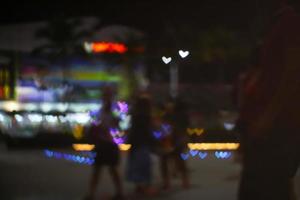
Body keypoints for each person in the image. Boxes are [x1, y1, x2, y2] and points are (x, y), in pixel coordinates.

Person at [237, 1, 300, 199]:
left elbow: (294, 72)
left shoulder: (289, 22)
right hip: (269, 126)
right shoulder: (276, 23)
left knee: (263, 187)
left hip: (275, 127)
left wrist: (268, 117)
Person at [85, 87, 124, 200]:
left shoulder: (112, 112)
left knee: (110, 170)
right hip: (103, 144)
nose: (106, 98)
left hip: (109, 144)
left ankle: (119, 192)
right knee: (99, 170)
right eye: (105, 95)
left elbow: (117, 127)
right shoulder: (100, 112)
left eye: (108, 95)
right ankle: (91, 194)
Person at [126, 95, 157, 196]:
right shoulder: (146, 117)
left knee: (137, 165)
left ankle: (139, 187)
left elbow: (132, 130)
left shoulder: (135, 115)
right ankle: (146, 187)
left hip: (136, 144)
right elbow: (149, 130)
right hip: (143, 144)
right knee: (144, 165)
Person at [160, 98, 190, 190]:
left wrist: (183, 137)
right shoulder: (165, 115)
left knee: (179, 160)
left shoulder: (180, 115)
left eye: (170, 103)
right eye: (167, 103)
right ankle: (166, 182)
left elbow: (184, 128)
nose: (168, 105)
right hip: (167, 140)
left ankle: (185, 181)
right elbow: (163, 127)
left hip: (177, 140)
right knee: (164, 160)